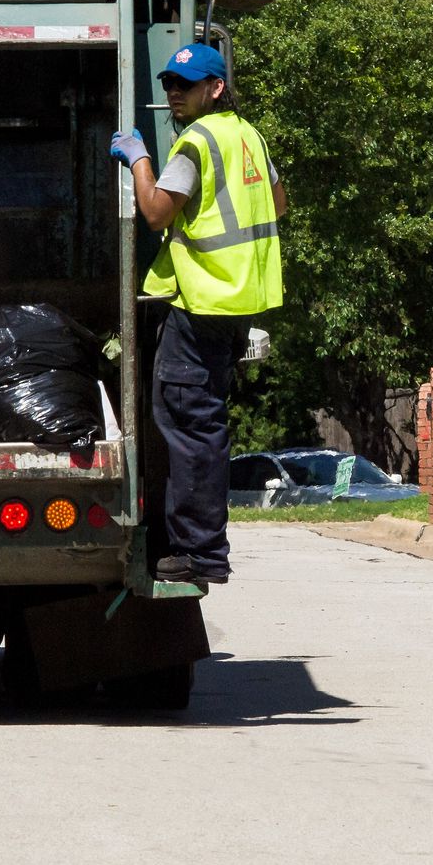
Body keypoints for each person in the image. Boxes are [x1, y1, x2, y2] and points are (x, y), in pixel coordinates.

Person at [109, 43, 286, 584]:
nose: (174, 94)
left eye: (185, 85)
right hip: (236, 302)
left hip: (201, 303)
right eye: (169, 84)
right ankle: (202, 548)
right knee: (203, 425)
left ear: (216, 88)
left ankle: (199, 552)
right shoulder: (249, 136)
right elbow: (278, 203)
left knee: (189, 428)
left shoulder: (196, 142)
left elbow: (157, 213)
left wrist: (140, 159)